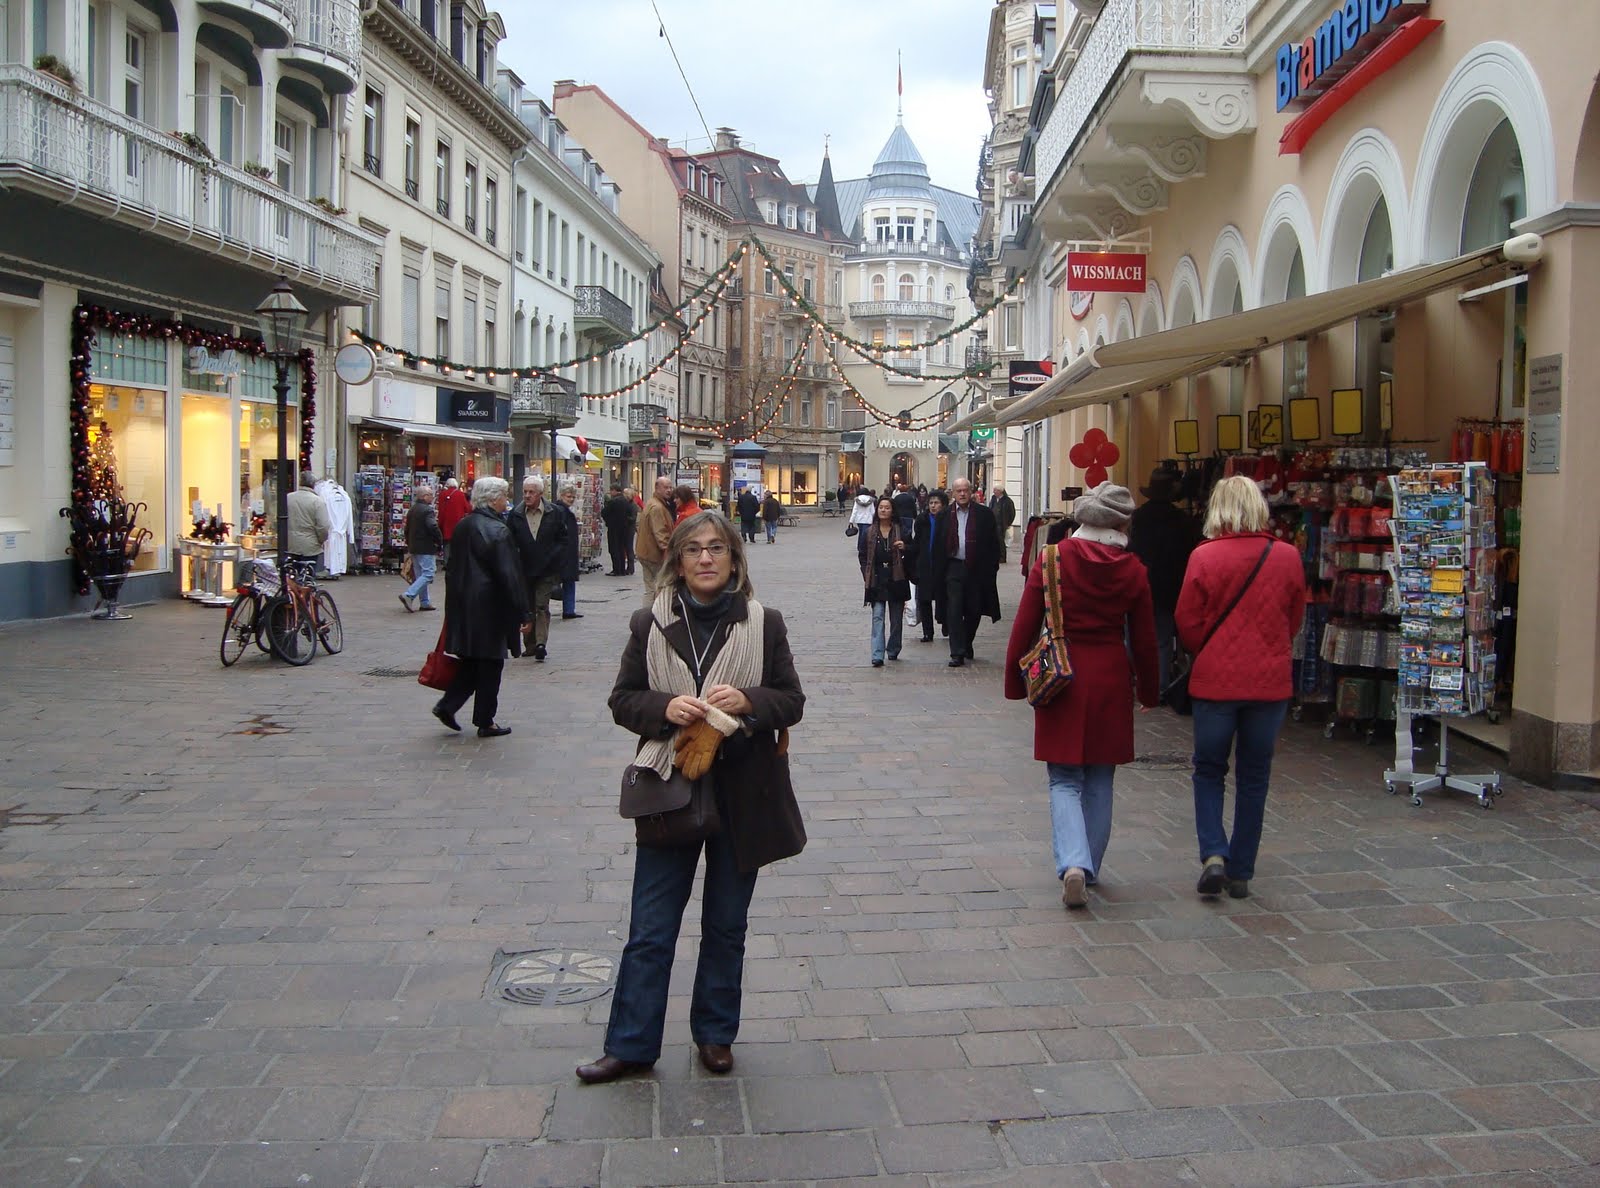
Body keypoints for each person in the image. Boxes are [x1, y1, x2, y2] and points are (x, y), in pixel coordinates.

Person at [578, 511, 806, 1084]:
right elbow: (623, 699)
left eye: (717, 548)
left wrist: (749, 701)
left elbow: (791, 700)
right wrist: (664, 709)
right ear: (677, 562)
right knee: (650, 928)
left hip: (743, 792)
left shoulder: (764, 623)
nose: (706, 558)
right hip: (669, 789)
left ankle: (715, 1034)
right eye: (694, 549)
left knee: (726, 924)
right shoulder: (648, 623)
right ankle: (631, 1044)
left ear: (734, 559)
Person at [1003, 483, 1160, 909]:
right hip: (1110, 675)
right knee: (1101, 776)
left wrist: (1015, 681)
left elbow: (1025, 624)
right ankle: (1088, 866)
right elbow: (1145, 640)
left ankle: (1072, 861)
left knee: (1064, 778)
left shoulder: (1052, 558)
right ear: (1122, 524)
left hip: (1063, 673)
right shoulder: (1133, 569)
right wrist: (1149, 688)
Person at [1176, 475, 1307, 900]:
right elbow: (1293, 619)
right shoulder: (1287, 556)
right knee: (1254, 775)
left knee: (1209, 769)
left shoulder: (1204, 556)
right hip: (1268, 683)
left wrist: (1209, 650)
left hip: (1215, 683)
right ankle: (1242, 870)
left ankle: (1214, 852)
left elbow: (1187, 622)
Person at [432, 477, 527, 738]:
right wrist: (522, 611)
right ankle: (485, 720)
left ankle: (448, 706)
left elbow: (452, 567)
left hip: (464, 603)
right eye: (504, 496)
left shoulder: (464, 525)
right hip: (490, 607)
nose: (506, 501)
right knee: (491, 663)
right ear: (493, 499)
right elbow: (509, 575)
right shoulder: (498, 530)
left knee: (474, 661)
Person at [1129, 466, 1201, 694]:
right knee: (1162, 638)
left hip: (1140, 582)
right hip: (1170, 587)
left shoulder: (1138, 517)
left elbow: (1132, 550)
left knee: (1133, 635)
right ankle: (1159, 686)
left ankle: (1133, 678)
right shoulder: (1182, 520)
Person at [931, 477, 1001, 668]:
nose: (962, 494)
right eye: (958, 491)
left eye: (965, 490)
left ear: (971, 492)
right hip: (953, 567)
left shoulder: (984, 514)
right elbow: (937, 545)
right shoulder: (944, 515)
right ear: (953, 493)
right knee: (953, 609)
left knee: (974, 609)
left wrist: (992, 567)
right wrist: (936, 571)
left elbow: (994, 543)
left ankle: (966, 641)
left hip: (976, 568)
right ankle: (957, 652)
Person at [506, 475, 566, 662]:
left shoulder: (554, 512)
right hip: (523, 569)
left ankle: (540, 644)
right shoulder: (516, 514)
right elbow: (509, 541)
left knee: (541, 605)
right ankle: (529, 644)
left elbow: (563, 539)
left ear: (540, 493)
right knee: (527, 606)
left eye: (531, 492)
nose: (527, 495)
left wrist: (553, 557)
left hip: (546, 569)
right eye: (525, 492)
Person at [858, 496, 910, 667]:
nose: (883, 510)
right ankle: (877, 654)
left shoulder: (901, 530)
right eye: (881, 507)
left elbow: (913, 551)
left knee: (896, 619)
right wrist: (866, 573)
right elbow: (863, 554)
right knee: (878, 616)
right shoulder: (869, 532)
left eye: (887, 507)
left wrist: (905, 547)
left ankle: (893, 649)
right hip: (877, 578)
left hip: (896, 577)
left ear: (892, 510)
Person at [910, 489, 946, 642]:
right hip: (925, 565)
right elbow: (917, 542)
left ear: (943, 505)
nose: (933, 506)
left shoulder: (947, 520)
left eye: (936, 503)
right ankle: (927, 632)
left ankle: (946, 623)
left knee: (944, 598)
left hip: (943, 566)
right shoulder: (922, 520)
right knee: (924, 600)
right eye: (931, 503)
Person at [399, 483, 441, 612]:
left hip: (414, 546)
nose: (433, 497)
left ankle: (425, 601)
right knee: (428, 574)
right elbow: (432, 526)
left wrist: (409, 542)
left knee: (420, 575)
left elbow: (407, 529)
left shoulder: (413, 509)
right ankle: (409, 594)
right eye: (431, 495)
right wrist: (439, 540)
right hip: (426, 546)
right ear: (424, 496)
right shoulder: (427, 510)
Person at [635, 476, 676, 607]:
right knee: (658, 587)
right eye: (666, 487)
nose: (669, 490)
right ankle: (654, 612)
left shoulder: (653, 503)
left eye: (670, 487)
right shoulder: (657, 507)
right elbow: (660, 533)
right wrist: (668, 552)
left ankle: (648, 613)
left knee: (650, 588)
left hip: (646, 552)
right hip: (654, 554)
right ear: (657, 488)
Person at [285, 469, 330, 562]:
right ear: (313, 484)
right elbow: (323, 526)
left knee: (292, 568)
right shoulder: (317, 501)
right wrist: (320, 541)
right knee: (310, 569)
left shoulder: (288, 498)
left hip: (290, 545)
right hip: (310, 546)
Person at [556, 482, 583, 620]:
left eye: (573, 497)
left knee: (568, 581)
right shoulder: (561, 512)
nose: (571, 499)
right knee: (567, 581)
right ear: (561, 496)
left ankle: (569, 609)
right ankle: (568, 610)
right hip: (564, 553)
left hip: (567, 553)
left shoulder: (564, 511)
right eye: (568, 496)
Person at [602, 485, 638, 576]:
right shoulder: (626, 502)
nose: (610, 492)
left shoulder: (613, 501)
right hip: (624, 528)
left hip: (614, 528)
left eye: (611, 490)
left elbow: (604, 512)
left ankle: (617, 569)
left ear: (614, 491)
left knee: (614, 549)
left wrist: (608, 520)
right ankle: (622, 569)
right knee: (621, 548)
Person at [437, 476, 470, 559]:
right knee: (458, 546)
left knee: (447, 545)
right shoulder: (460, 494)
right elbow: (467, 508)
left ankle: (447, 562)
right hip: (458, 523)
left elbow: (440, 510)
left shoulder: (442, 494)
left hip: (446, 523)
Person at [991, 484, 1017, 565]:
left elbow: (1012, 513)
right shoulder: (993, 499)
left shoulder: (1007, 501)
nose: (994, 492)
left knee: (1000, 541)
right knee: (994, 540)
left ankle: (1002, 557)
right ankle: (995, 556)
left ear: (1000, 491)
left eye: (995, 490)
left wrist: (1008, 523)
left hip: (1001, 524)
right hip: (993, 523)